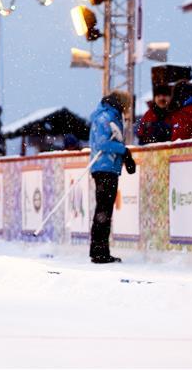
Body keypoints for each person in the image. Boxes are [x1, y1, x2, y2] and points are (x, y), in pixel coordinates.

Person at [87, 91, 134, 264]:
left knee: (104, 211)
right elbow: (102, 143)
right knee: (104, 211)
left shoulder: (109, 115)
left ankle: (100, 250)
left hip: (107, 167)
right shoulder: (106, 117)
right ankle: (99, 251)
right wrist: (123, 150)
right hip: (104, 167)